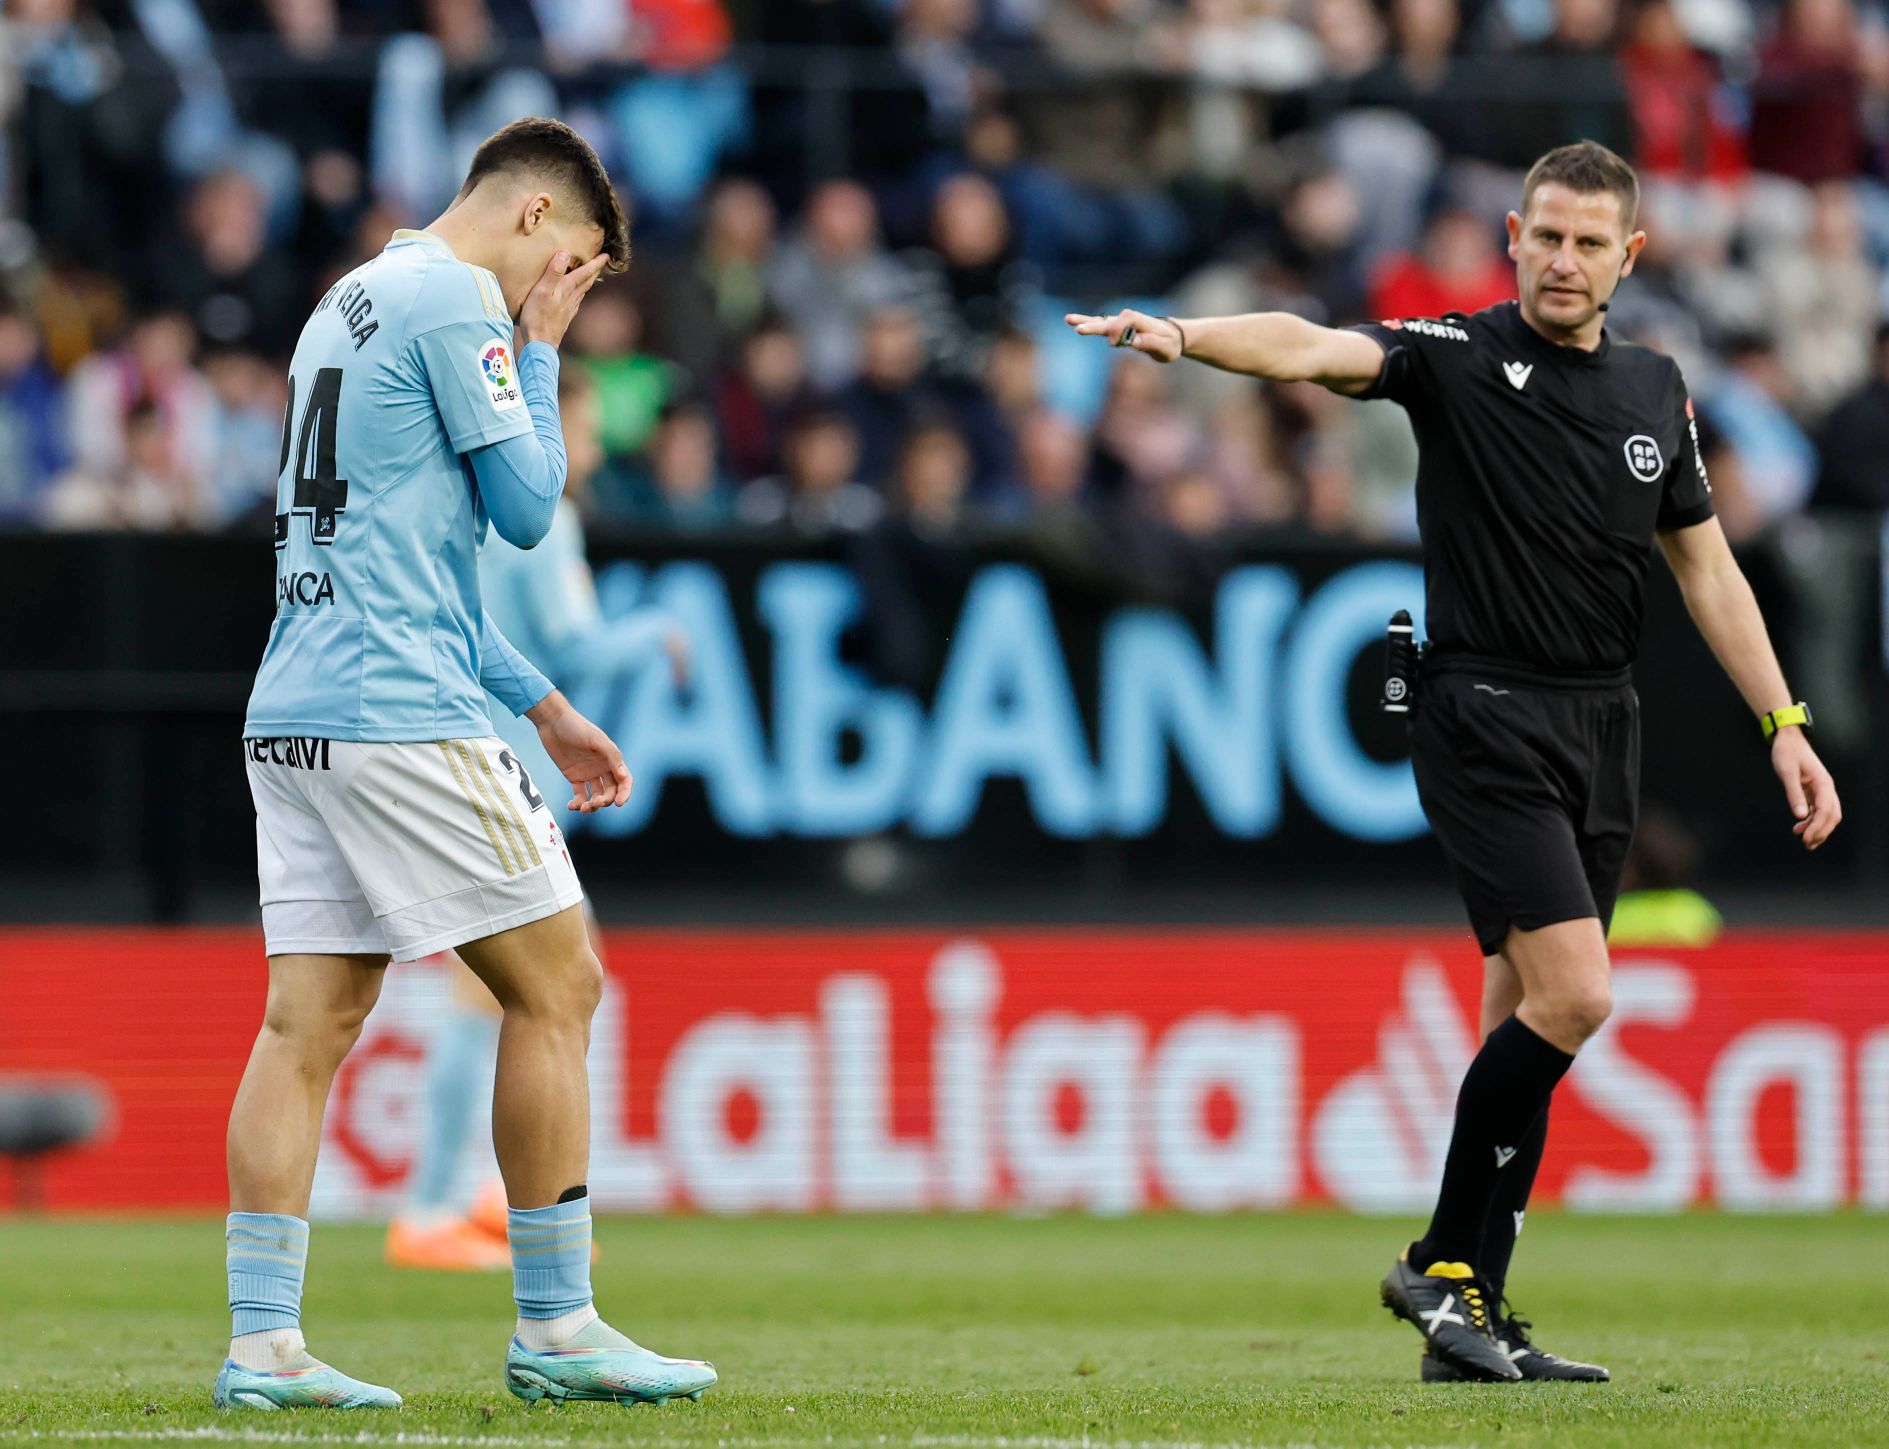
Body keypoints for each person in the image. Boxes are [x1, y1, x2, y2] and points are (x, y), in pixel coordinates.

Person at [1066, 140, 1841, 1385]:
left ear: (1627, 258)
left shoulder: (1653, 389)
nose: (1562, 259)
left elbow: (1704, 569)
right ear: (1510, 235)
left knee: (1517, 1013)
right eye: (1543, 235)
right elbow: (1315, 344)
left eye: (1589, 242)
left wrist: (1782, 726)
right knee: (1577, 996)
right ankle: (1439, 1264)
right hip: (1481, 713)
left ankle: (1467, 1314)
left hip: (1603, 723)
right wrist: (1187, 335)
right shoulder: (1459, 356)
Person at [228, 117, 717, 1411]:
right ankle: (559, 1324)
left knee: (307, 1021)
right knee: (558, 981)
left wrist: (544, 704)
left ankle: (261, 1345)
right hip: (398, 714)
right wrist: (542, 351)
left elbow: (416, 572)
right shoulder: (458, 304)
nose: (563, 304)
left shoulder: (348, 302)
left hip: (296, 705)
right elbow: (522, 506)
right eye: (576, 276)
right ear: (542, 223)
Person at [385, 365, 690, 1273]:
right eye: (582, 426)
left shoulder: (473, 509)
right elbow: (570, 644)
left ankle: (468, 1193)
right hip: (502, 773)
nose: (589, 445)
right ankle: (436, 1203)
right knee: (517, 989)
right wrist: (658, 629)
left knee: (532, 987)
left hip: (468, 757)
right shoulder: (545, 516)